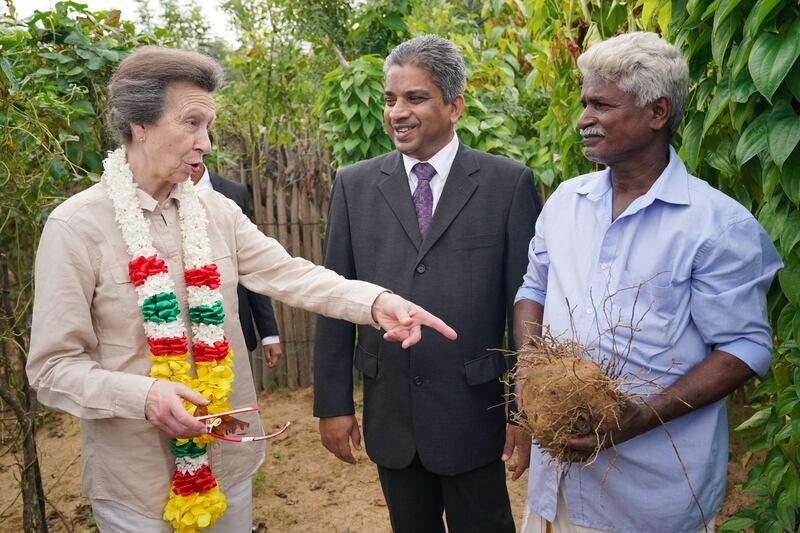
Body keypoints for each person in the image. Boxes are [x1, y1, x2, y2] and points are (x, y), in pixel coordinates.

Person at [26, 46, 456, 533]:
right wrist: (144, 396)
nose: (206, 143)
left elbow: (294, 275)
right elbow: (52, 369)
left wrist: (378, 303)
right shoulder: (76, 227)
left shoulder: (217, 213)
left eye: (208, 126)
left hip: (228, 464)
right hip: (135, 485)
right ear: (138, 125)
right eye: (191, 123)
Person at [513, 32, 782, 533]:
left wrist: (635, 419)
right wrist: (530, 367)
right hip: (557, 491)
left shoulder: (718, 226)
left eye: (600, 105)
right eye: (582, 103)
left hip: (651, 498)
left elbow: (744, 347)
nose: (582, 120)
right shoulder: (565, 204)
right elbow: (532, 291)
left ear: (657, 112)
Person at [314, 35, 540, 532]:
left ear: (454, 105)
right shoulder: (354, 185)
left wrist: (524, 411)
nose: (398, 112)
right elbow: (334, 295)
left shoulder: (507, 184)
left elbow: (525, 302)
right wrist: (333, 404)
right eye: (390, 99)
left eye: (415, 98)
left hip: (473, 413)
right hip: (391, 412)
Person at [191, 161, 283, 371]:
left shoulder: (234, 192)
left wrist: (269, 333)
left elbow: (250, 262)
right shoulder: (160, 193)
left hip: (233, 323)